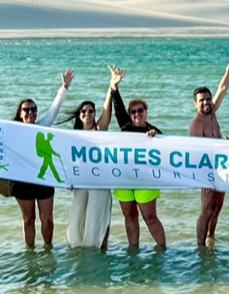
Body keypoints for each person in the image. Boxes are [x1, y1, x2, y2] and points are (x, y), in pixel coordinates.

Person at [9, 70, 75, 250]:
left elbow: (54, 110)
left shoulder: (42, 127)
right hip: (22, 181)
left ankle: (48, 249)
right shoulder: (12, 130)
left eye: (33, 109)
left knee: (47, 218)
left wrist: (64, 87)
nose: (30, 112)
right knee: (28, 219)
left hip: (43, 178)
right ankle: (30, 253)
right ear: (20, 113)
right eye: (26, 110)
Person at [110, 70, 168, 250]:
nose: (137, 114)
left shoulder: (154, 131)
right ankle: (133, 251)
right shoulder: (125, 127)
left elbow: (168, 151)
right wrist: (114, 86)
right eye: (133, 112)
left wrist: (156, 138)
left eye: (140, 110)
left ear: (146, 112)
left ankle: (162, 250)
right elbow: (118, 107)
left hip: (146, 179)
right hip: (125, 178)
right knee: (129, 216)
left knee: (150, 217)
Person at [62, 66, 119, 249]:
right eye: (84, 111)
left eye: (91, 111)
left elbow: (107, 111)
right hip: (80, 183)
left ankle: (101, 252)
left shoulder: (99, 130)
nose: (87, 114)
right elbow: (67, 162)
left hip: (99, 182)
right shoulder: (73, 137)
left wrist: (112, 86)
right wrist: (68, 180)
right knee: (76, 222)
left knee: (99, 218)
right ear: (79, 116)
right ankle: (79, 256)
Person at [189, 48, 229, 248]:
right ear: (195, 104)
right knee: (206, 210)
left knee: (218, 207)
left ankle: (211, 237)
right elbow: (197, 154)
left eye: (207, 99)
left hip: (221, 167)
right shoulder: (196, 124)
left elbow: (223, 87)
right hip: (207, 172)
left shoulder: (212, 112)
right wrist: (204, 178)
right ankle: (200, 245)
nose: (206, 102)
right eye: (201, 100)